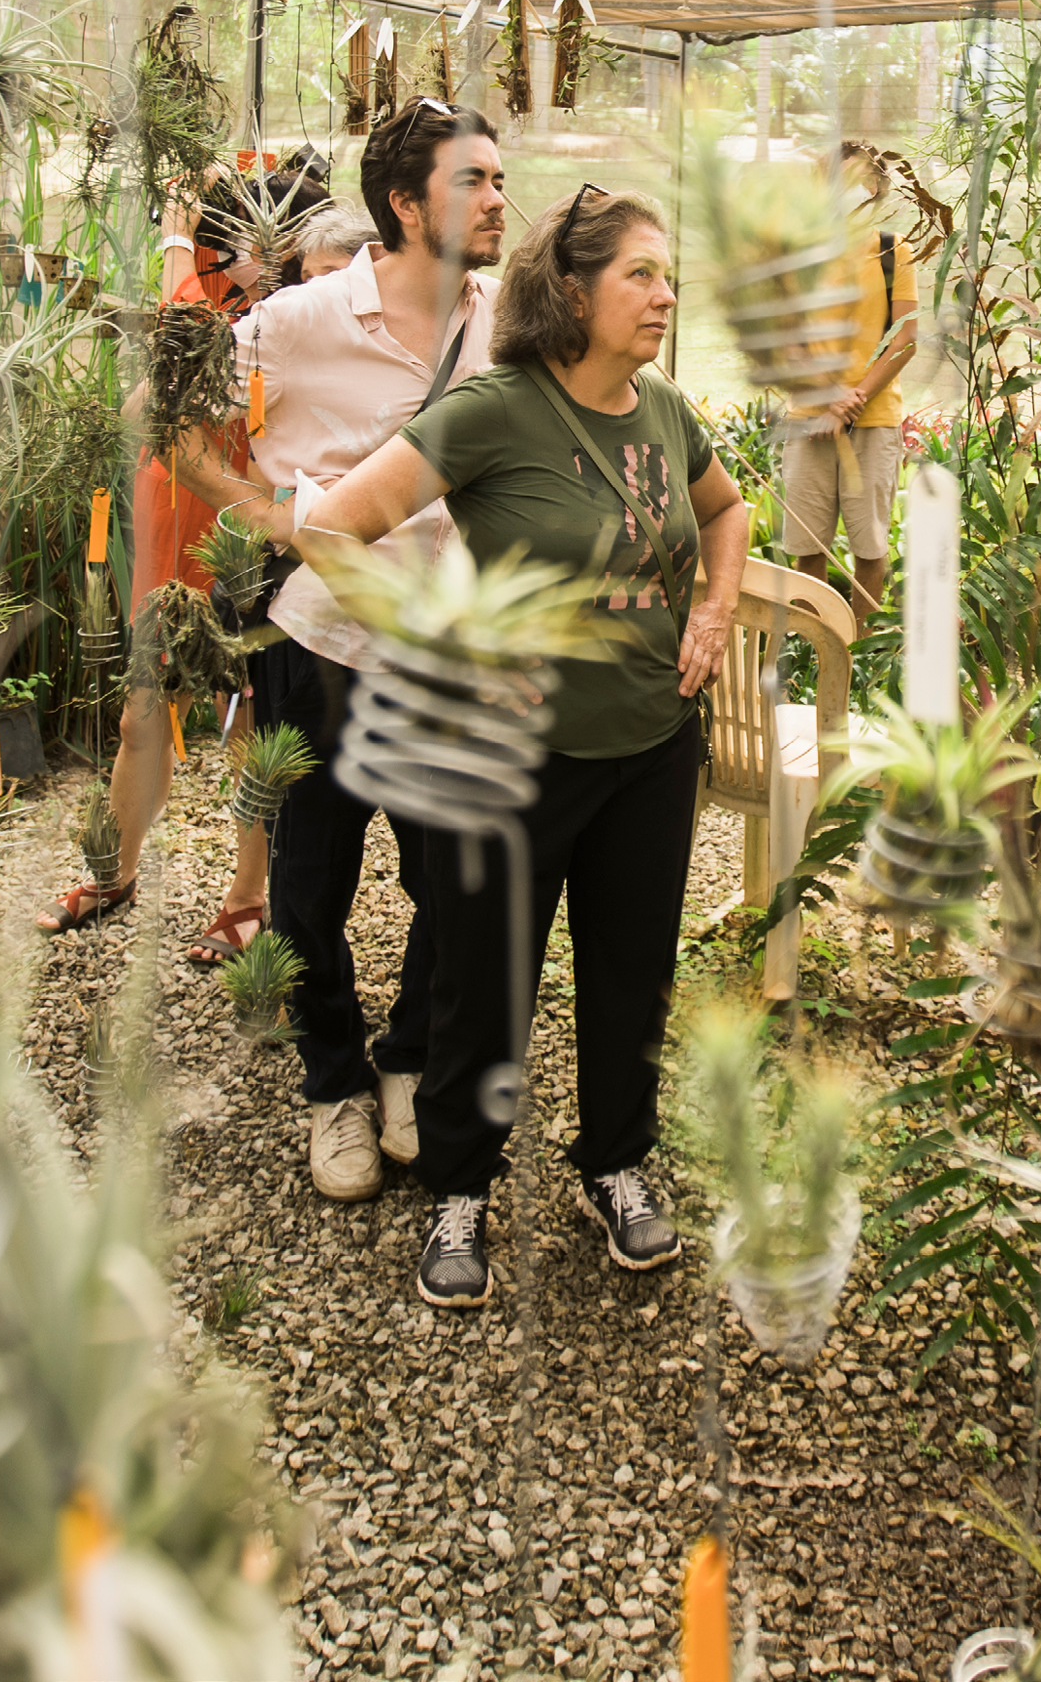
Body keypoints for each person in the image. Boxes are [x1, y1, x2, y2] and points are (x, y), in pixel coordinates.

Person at [300, 187, 752, 1309]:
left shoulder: (663, 410)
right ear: (572, 292)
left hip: (651, 748)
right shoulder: (493, 411)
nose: (665, 294)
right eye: (641, 274)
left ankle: (616, 1165)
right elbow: (332, 528)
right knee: (483, 985)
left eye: (667, 274)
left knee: (633, 973)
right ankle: (459, 1187)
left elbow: (726, 509)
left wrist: (712, 609)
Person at [163, 102, 506, 1203]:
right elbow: (175, 420)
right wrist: (267, 515)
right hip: (319, 642)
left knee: (453, 878)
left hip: (452, 649)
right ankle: (332, 1079)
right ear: (405, 205)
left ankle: (406, 1058)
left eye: (500, 179)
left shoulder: (509, 319)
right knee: (311, 880)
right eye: (474, 182)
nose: (498, 200)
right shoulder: (300, 319)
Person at [40, 158, 330, 959]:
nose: (225, 253)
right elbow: (162, 378)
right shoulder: (219, 303)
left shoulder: (298, 315)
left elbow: (184, 335)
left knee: (247, 724)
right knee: (142, 711)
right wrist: (183, 226)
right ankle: (114, 871)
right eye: (219, 238)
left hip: (244, 536)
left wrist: (176, 235)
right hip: (172, 517)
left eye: (235, 240)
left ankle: (248, 895)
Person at [783, 146, 916, 621]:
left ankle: (862, 650)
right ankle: (812, 645)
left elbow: (906, 337)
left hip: (874, 421)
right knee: (808, 548)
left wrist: (853, 398)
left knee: (869, 547)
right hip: (809, 418)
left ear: (874, 188)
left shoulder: (893, 250)